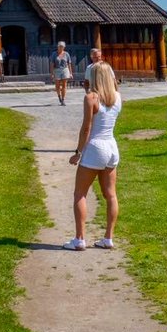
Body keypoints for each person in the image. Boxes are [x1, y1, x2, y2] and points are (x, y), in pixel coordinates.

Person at [63, 60, 121, 251]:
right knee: (110, 195)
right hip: (111, 147)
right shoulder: (118, 97)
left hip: (95, 147)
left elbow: (86, 129)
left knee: (80, 193)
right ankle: (108, 238)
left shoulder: (91, 98)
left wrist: (78, 153)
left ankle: (79, 239)